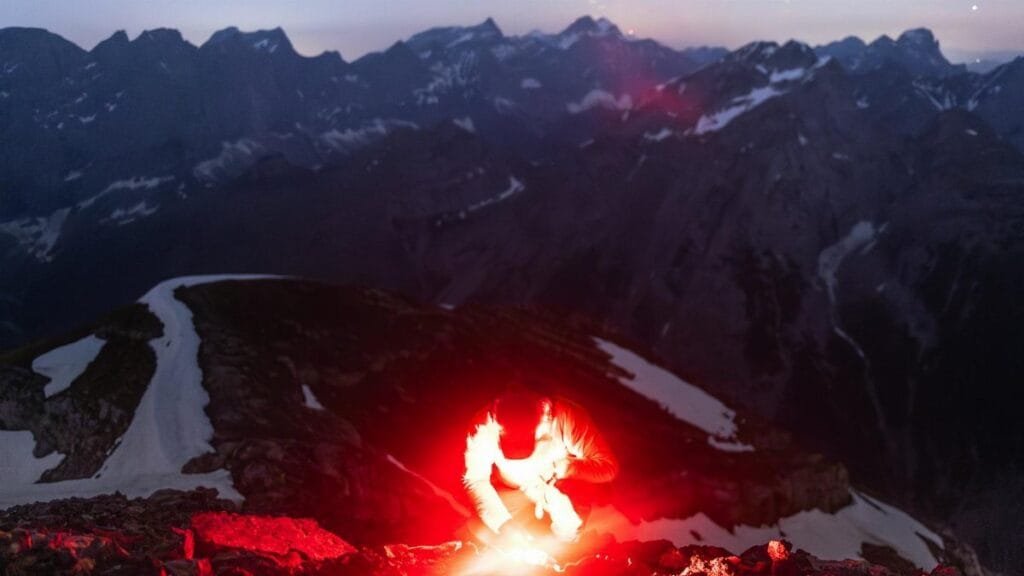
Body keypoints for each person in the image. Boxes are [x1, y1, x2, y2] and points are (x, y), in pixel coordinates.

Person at [463, 389, 619, 544]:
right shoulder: (483, 426)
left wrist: (567, 468)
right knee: (480, 527)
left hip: (559, 486)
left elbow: (607, 467)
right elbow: (475, 479)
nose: (518, 448)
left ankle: (567, 542)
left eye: (524, 438)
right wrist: (503, 524)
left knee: (567, 531)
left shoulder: (566, 417)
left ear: (542, 412)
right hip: (514, 490)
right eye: (509, 439)